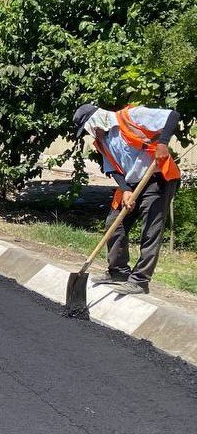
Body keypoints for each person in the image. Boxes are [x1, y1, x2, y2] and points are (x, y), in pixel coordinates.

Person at [73, 103, 181, 295]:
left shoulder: (131, 116)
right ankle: (118, 271)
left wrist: (163, 144)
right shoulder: (101, 140)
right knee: (114, 222)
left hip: (157, 178)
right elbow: (113, 168)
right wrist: (124, 190)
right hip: (131, 184)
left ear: (96, 118)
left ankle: (140, 281)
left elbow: (172, 116)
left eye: (89, 127)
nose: (91, 132)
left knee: (150, 229)